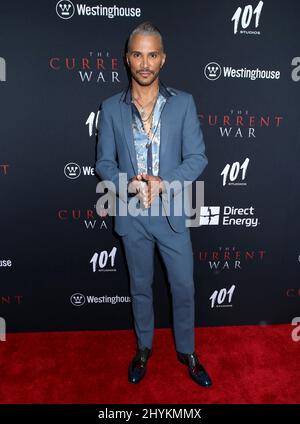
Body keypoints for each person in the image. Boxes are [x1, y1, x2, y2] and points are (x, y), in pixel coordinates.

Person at [95, 21, 212, 387]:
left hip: (173, 214)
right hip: (131, 215)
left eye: (152, 55)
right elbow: (103, 163)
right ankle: (143, 348)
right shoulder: (110, 108)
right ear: (127, 59)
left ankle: (188, 351)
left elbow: (197, 157)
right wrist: (127, 183)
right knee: (140, 287)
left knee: (184, 288)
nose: (144, 63)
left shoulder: (185, 103)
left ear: (162, 59)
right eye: (137, 54)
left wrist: (164, 184)